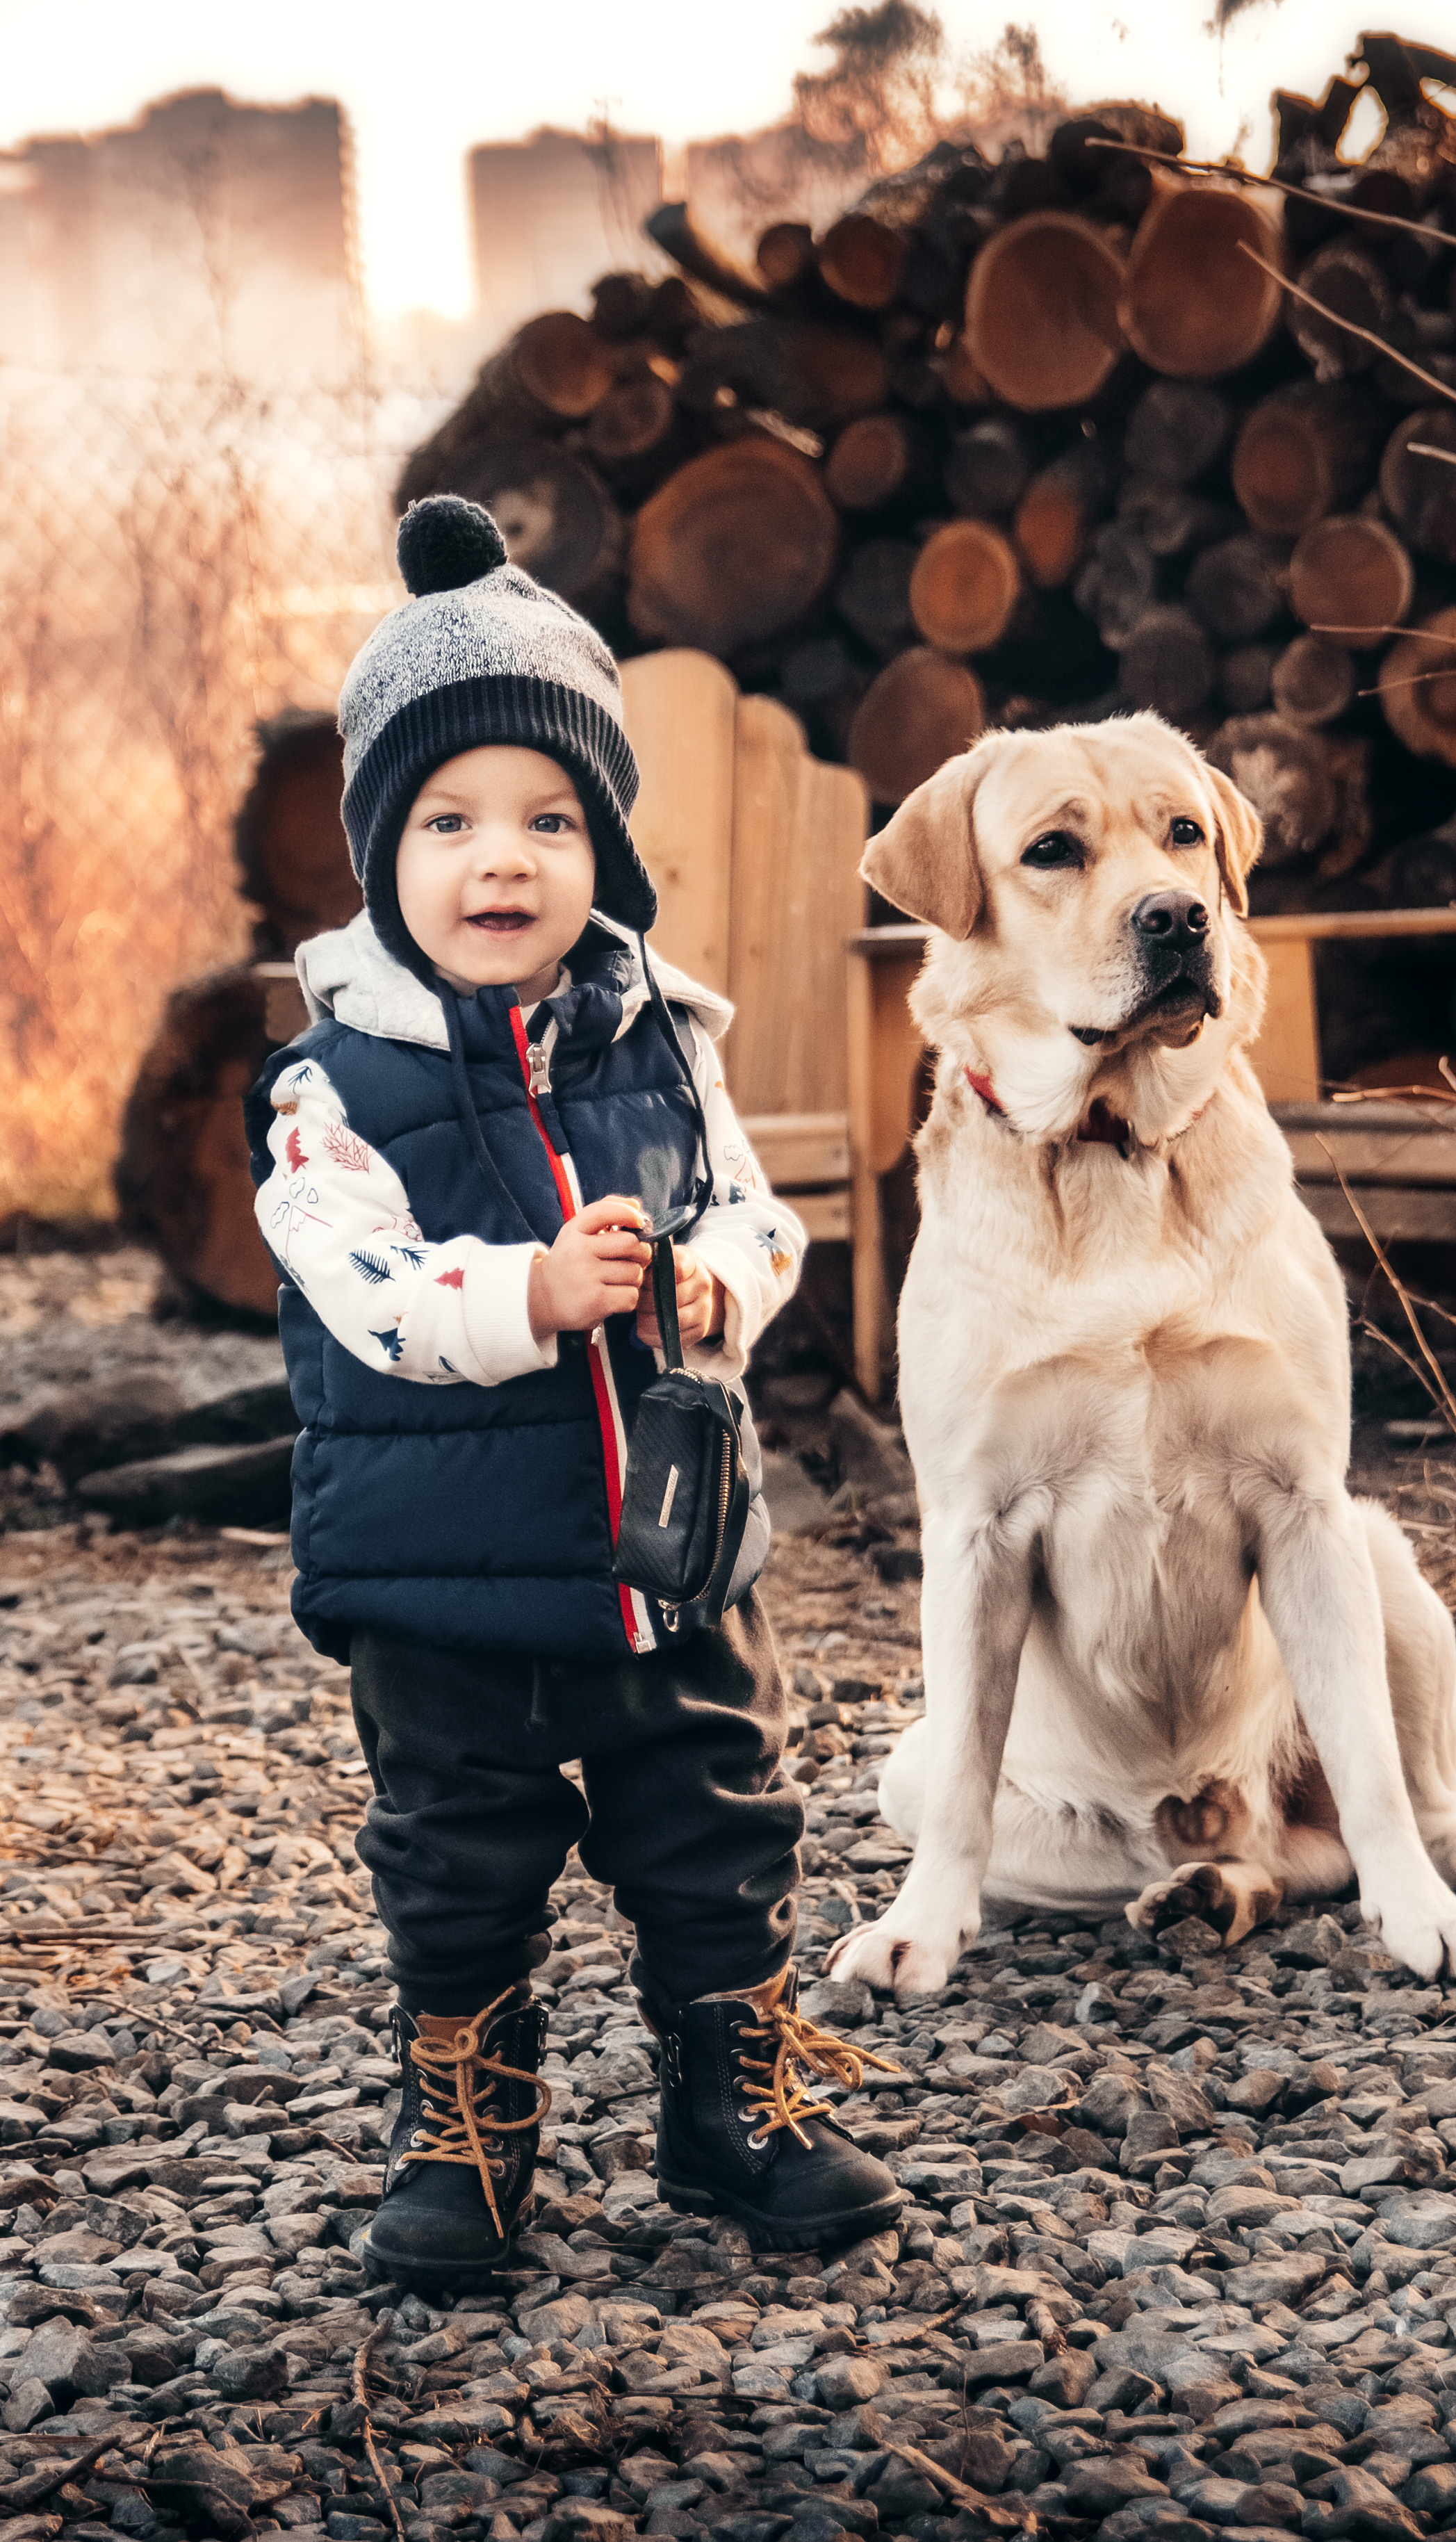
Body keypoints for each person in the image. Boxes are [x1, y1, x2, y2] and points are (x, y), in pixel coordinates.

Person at [246, 496, 900, 2289]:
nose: (502, 861)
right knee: (459, 1849)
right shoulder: (326, 1086)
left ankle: (735, 2095)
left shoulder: (664, 1039)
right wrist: (529, 1294)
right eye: (449, 822)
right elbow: (361, 1289)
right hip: (441, 1573)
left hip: (672, 1540)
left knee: (718, 1812)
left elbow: (762, 1219)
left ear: (605, 843)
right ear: (381, 850)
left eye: (549, 819)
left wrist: (720, 1282)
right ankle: (467, 2119)